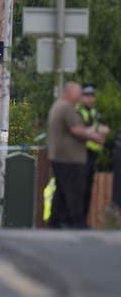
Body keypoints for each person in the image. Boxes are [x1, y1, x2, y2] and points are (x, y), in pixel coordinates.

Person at [48, 82, 106, 229]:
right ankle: (76, 222)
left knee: (61, 190)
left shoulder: (59, 106)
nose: (79, 96)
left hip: (61, 156)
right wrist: (95, 137)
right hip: (69, 158)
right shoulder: (67, 108)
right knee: (74, 190)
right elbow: (76, 129)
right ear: (70, 93)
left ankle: (55, 221)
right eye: (78, 93)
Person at [75, 85, 110, 222]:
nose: (90, 99)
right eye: (87, 96)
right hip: (81, 153)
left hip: (92, 154)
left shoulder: (95, 113)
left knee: (88, 188)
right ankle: (77, 220)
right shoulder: (79, 111)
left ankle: (83, 219)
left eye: (92, 96)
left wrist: (95, 130)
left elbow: (105, 129)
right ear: (82, 97)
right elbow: (84, 130)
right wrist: (97, 130)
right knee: (80, 188)